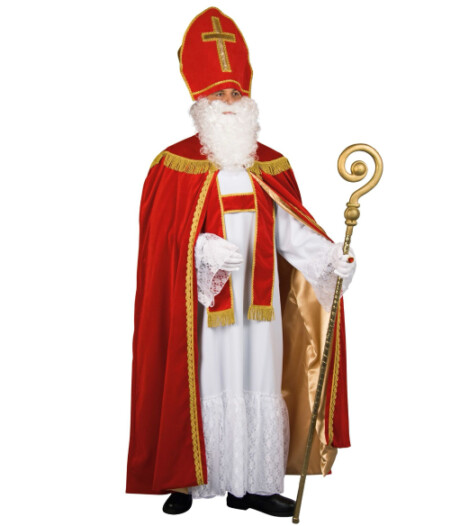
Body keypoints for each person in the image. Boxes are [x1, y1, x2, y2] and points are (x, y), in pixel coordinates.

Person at [126, 7, 356, 518]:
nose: (229, 103)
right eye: (219, 95)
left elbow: (293, 232)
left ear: (248, 99)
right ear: (200, 102)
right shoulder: (173, 165)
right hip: (202, 313)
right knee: (201, 382)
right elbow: (161, 247)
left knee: (258, 383)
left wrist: (330, 259)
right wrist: (202, 252)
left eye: (235, 94)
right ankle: (186, 480)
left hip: (260, 309)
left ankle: (253, 484)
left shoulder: (269, 164)